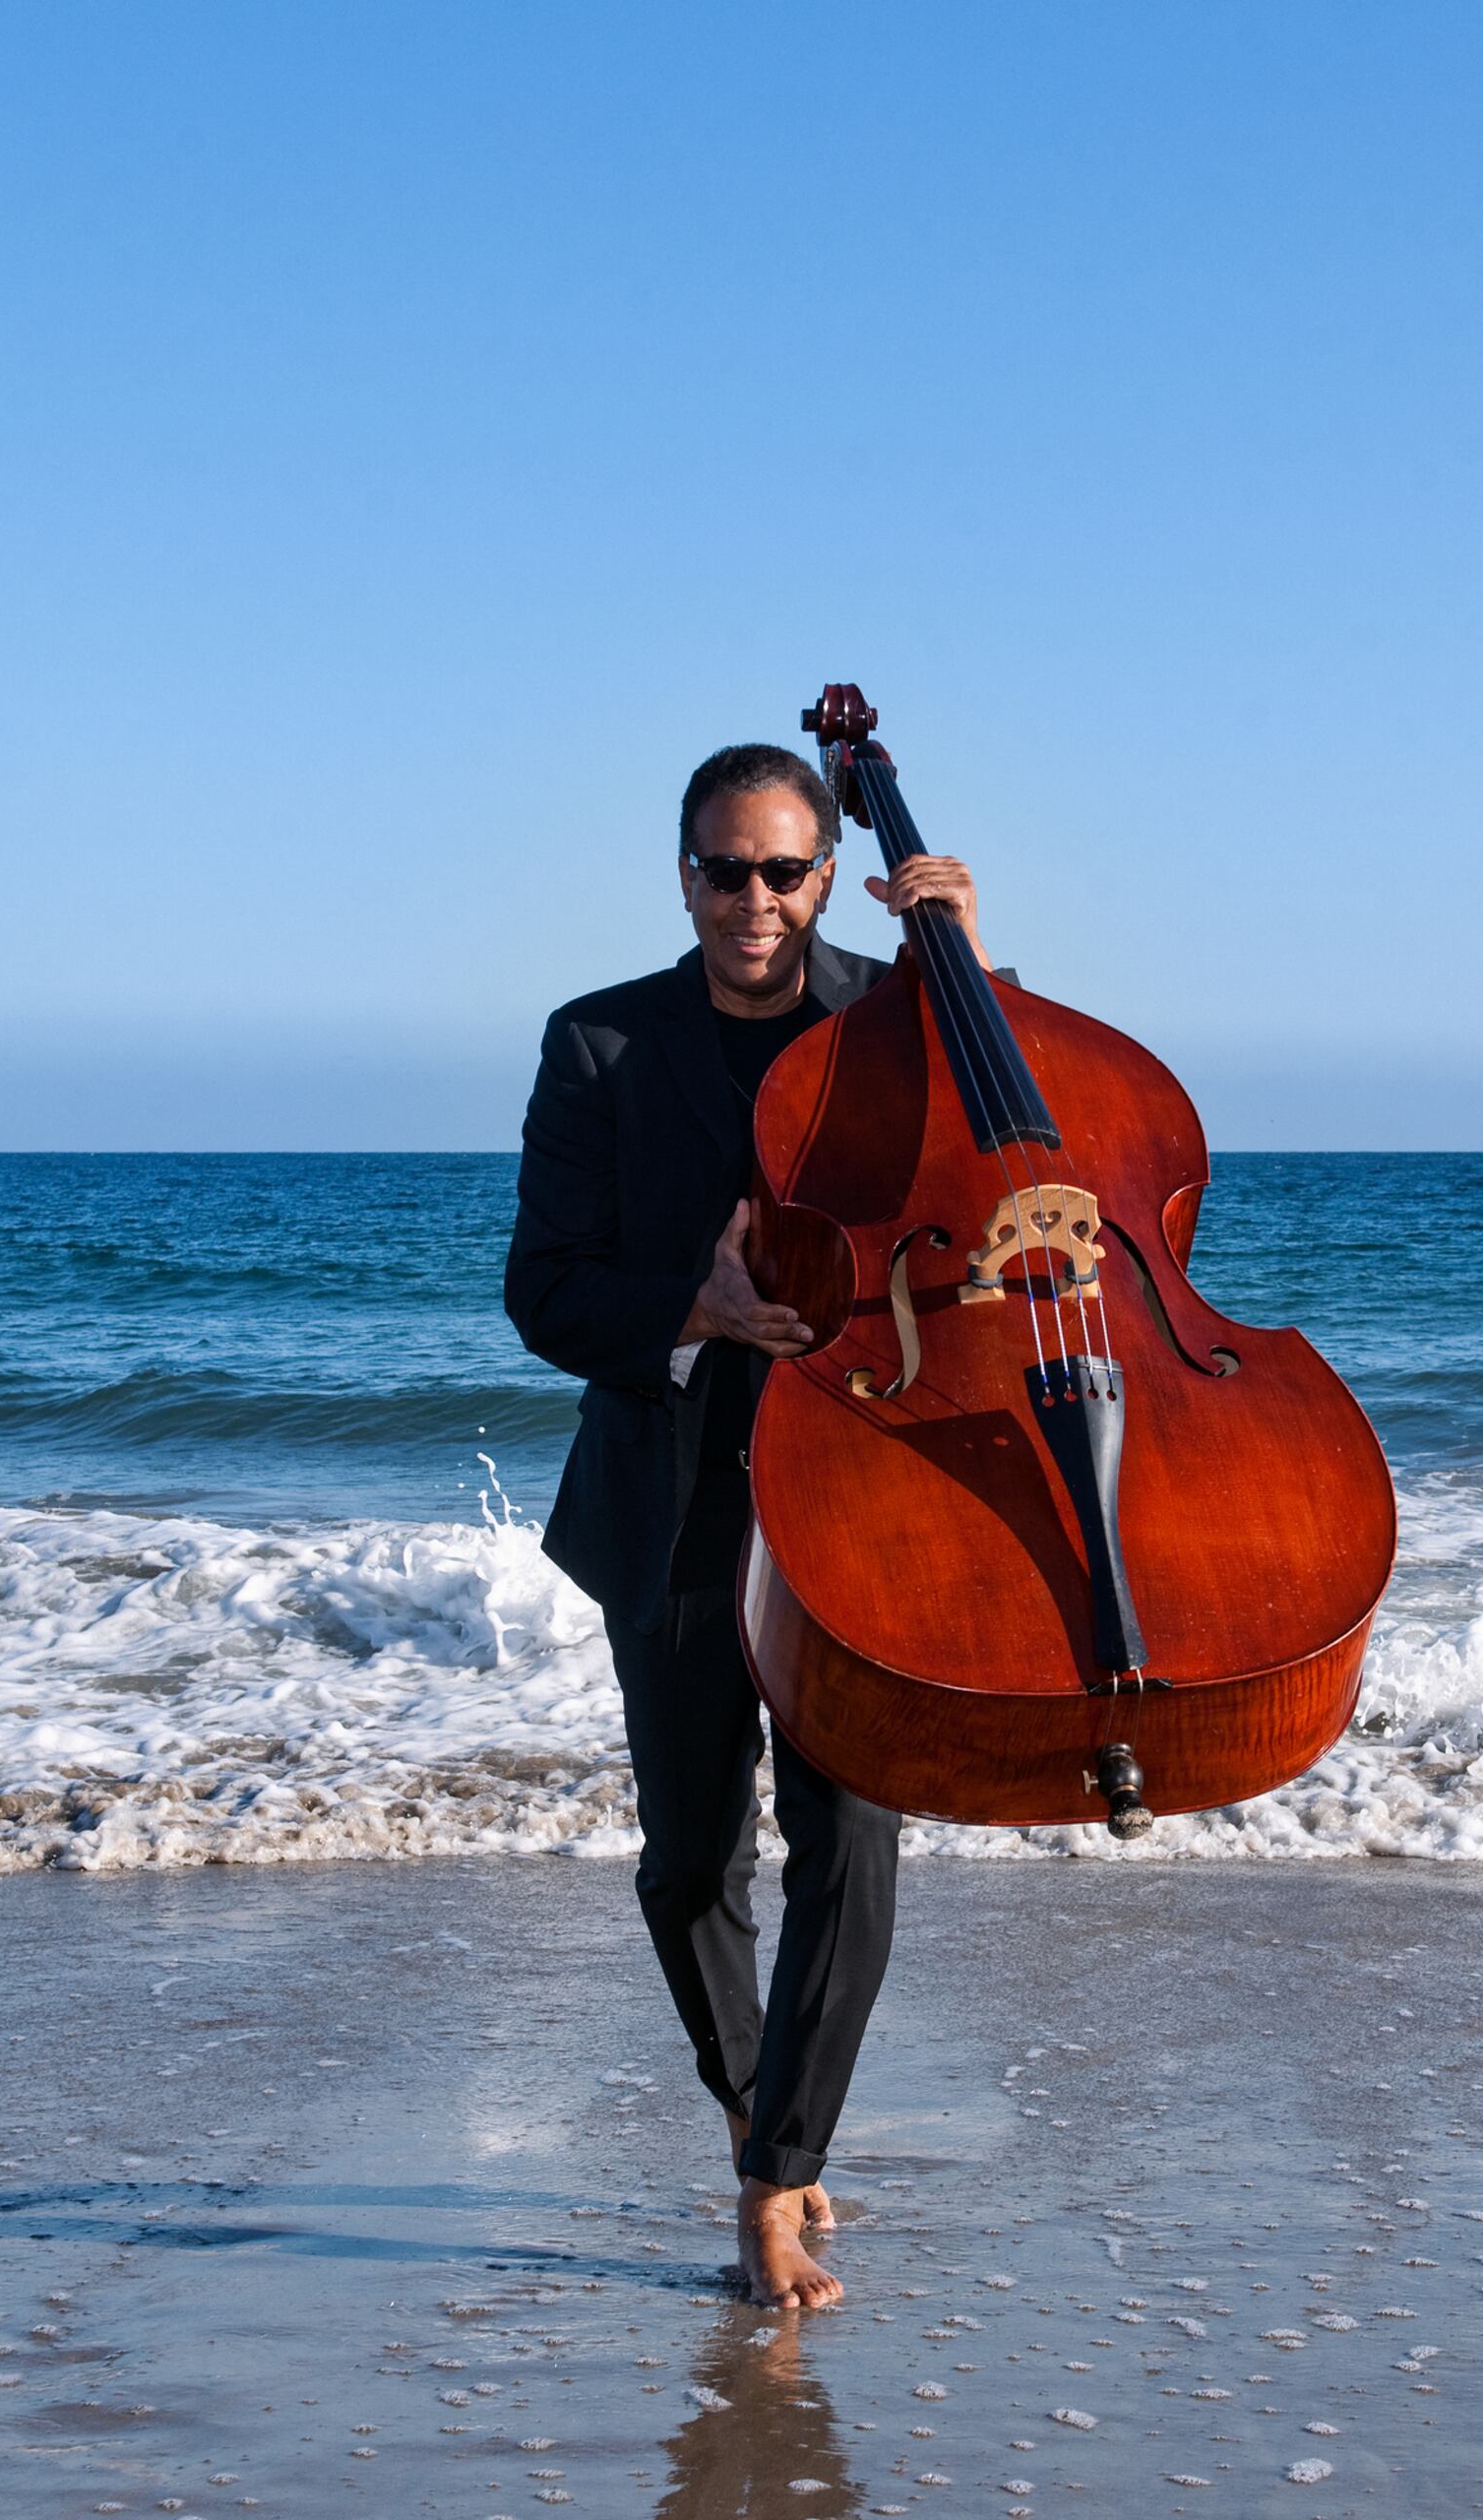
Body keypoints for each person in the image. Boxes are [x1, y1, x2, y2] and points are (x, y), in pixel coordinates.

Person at [503, 740, 983, 2311]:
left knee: (852, 1843)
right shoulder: (600, 1047)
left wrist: (965, 969)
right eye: (726, 869)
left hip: (862, 1486)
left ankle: (772, 2179)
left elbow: (1016, 1184)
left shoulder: (892, 1016)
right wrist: (693, 1310)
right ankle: (758, 2102)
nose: (755, 900)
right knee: (688, 1862)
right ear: (685, 871)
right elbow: (545, 1291)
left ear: (829, 872)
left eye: (784, 870)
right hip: (676, 1487)